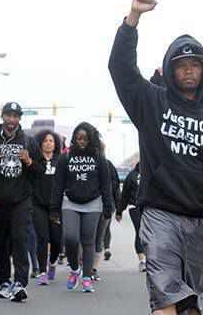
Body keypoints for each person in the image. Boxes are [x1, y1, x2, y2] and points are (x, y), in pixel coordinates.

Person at [109, 0, 203, 315]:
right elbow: (121, 69)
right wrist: (132, 19)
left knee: (189, 300)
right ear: (169, 70)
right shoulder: (151, 103)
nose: (188, 71)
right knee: (165, 296)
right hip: (161, 213)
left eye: (195, 65)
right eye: (181, 66)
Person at [0, 102, 45, 302]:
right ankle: (4, 282)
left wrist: (29, 162)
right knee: (1, 242)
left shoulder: (28, 142)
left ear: (20, 119)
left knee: (20, 239)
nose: (12, 120)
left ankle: (20, 283)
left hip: (21, 200)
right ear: (3, 116)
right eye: (8, 116)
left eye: (16, 116)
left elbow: (41, 170)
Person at [50, 122, 112, 293]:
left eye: (85, 139)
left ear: (91, 139)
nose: (81, 142)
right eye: (78, 139)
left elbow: (106, 185)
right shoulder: (66, 157)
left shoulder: (99, 158)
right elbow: (57, 185)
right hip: (70, 202)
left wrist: (108, 207)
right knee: (70, 237)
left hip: (93, 203)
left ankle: (86, 278)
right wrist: (54, 209)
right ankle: (75, 269)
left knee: (88, 240)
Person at [31, 129, 63, 285]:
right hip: (38, 205)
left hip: (56, 207)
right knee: (42, 238)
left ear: (55, 144)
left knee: (57, 239)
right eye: (46, 141)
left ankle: (53, 262)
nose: (49, 143)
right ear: (40, 143)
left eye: (51, 141)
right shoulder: (35, 161)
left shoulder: (61, 160)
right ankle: (42, 271)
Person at [91, 142, 121, 281]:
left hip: (106, 205)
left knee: (99, 236)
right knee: (88, 237)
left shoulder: (108, 165)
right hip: (89, 205)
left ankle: (94, 268)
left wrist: (117, 207)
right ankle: (86, 265)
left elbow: (115, 186)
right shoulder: (87, 164)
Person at [115, 162, 145, 272]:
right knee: (140, 231)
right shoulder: (132, 175)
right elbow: (125, 194)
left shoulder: (153, 171)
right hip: (135, 207)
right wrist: (119, 211)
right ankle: (142, 261)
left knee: (151, 233)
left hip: (151, 208)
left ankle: (152, 259)